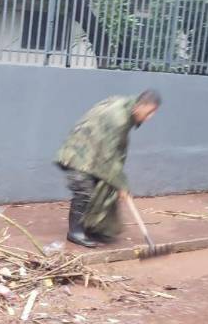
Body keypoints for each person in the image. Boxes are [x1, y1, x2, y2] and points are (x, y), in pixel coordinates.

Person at [55, 90, 162, 248]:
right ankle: (75, 232)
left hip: (93, 149)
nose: (150, 117)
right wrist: (122, 185)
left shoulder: (127, 108)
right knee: (83, 189)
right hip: (80, 151)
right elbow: (109, 157)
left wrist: (119, 183)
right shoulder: (119, 118)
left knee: (102, 188)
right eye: (150, 112)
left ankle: (92, 227)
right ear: (140, 106)